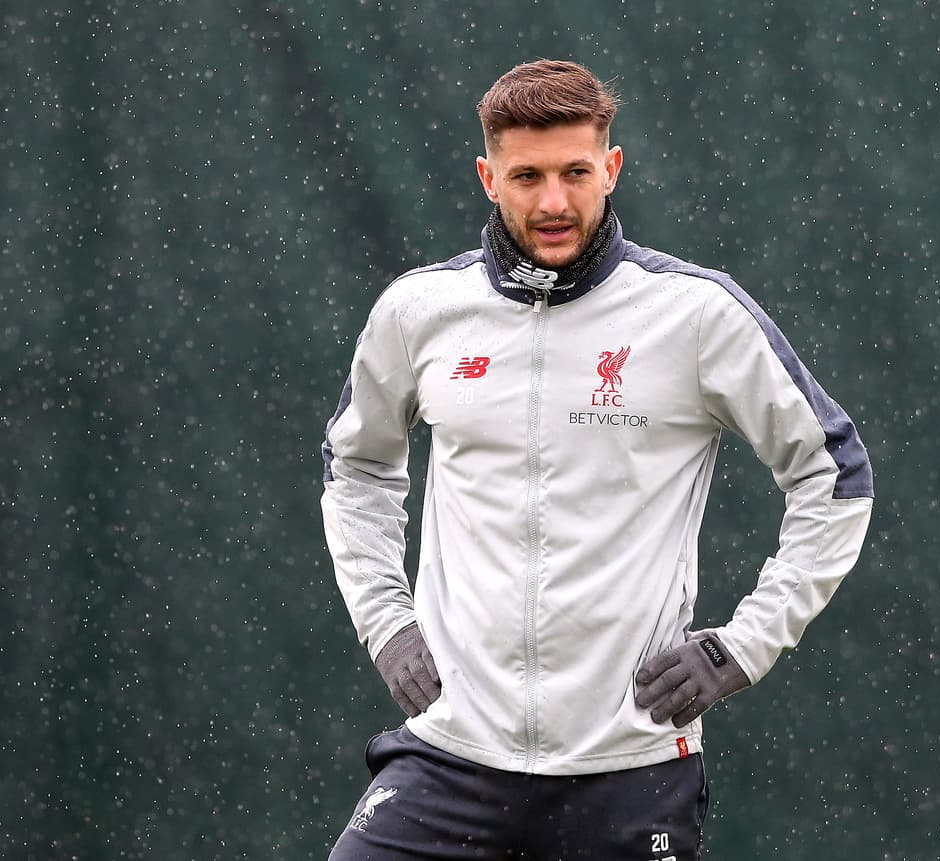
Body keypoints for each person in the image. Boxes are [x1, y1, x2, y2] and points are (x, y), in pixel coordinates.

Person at [320, 59, 874, 860]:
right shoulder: (420, 310)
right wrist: (387, 624)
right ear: (488, 178)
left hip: (629, 771)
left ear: (611, 168)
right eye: (527, 176)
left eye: (575, 173)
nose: (554, 201)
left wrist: (741, 647)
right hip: (450, 756)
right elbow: (358, 467)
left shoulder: (694, 314)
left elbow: (835, 475)